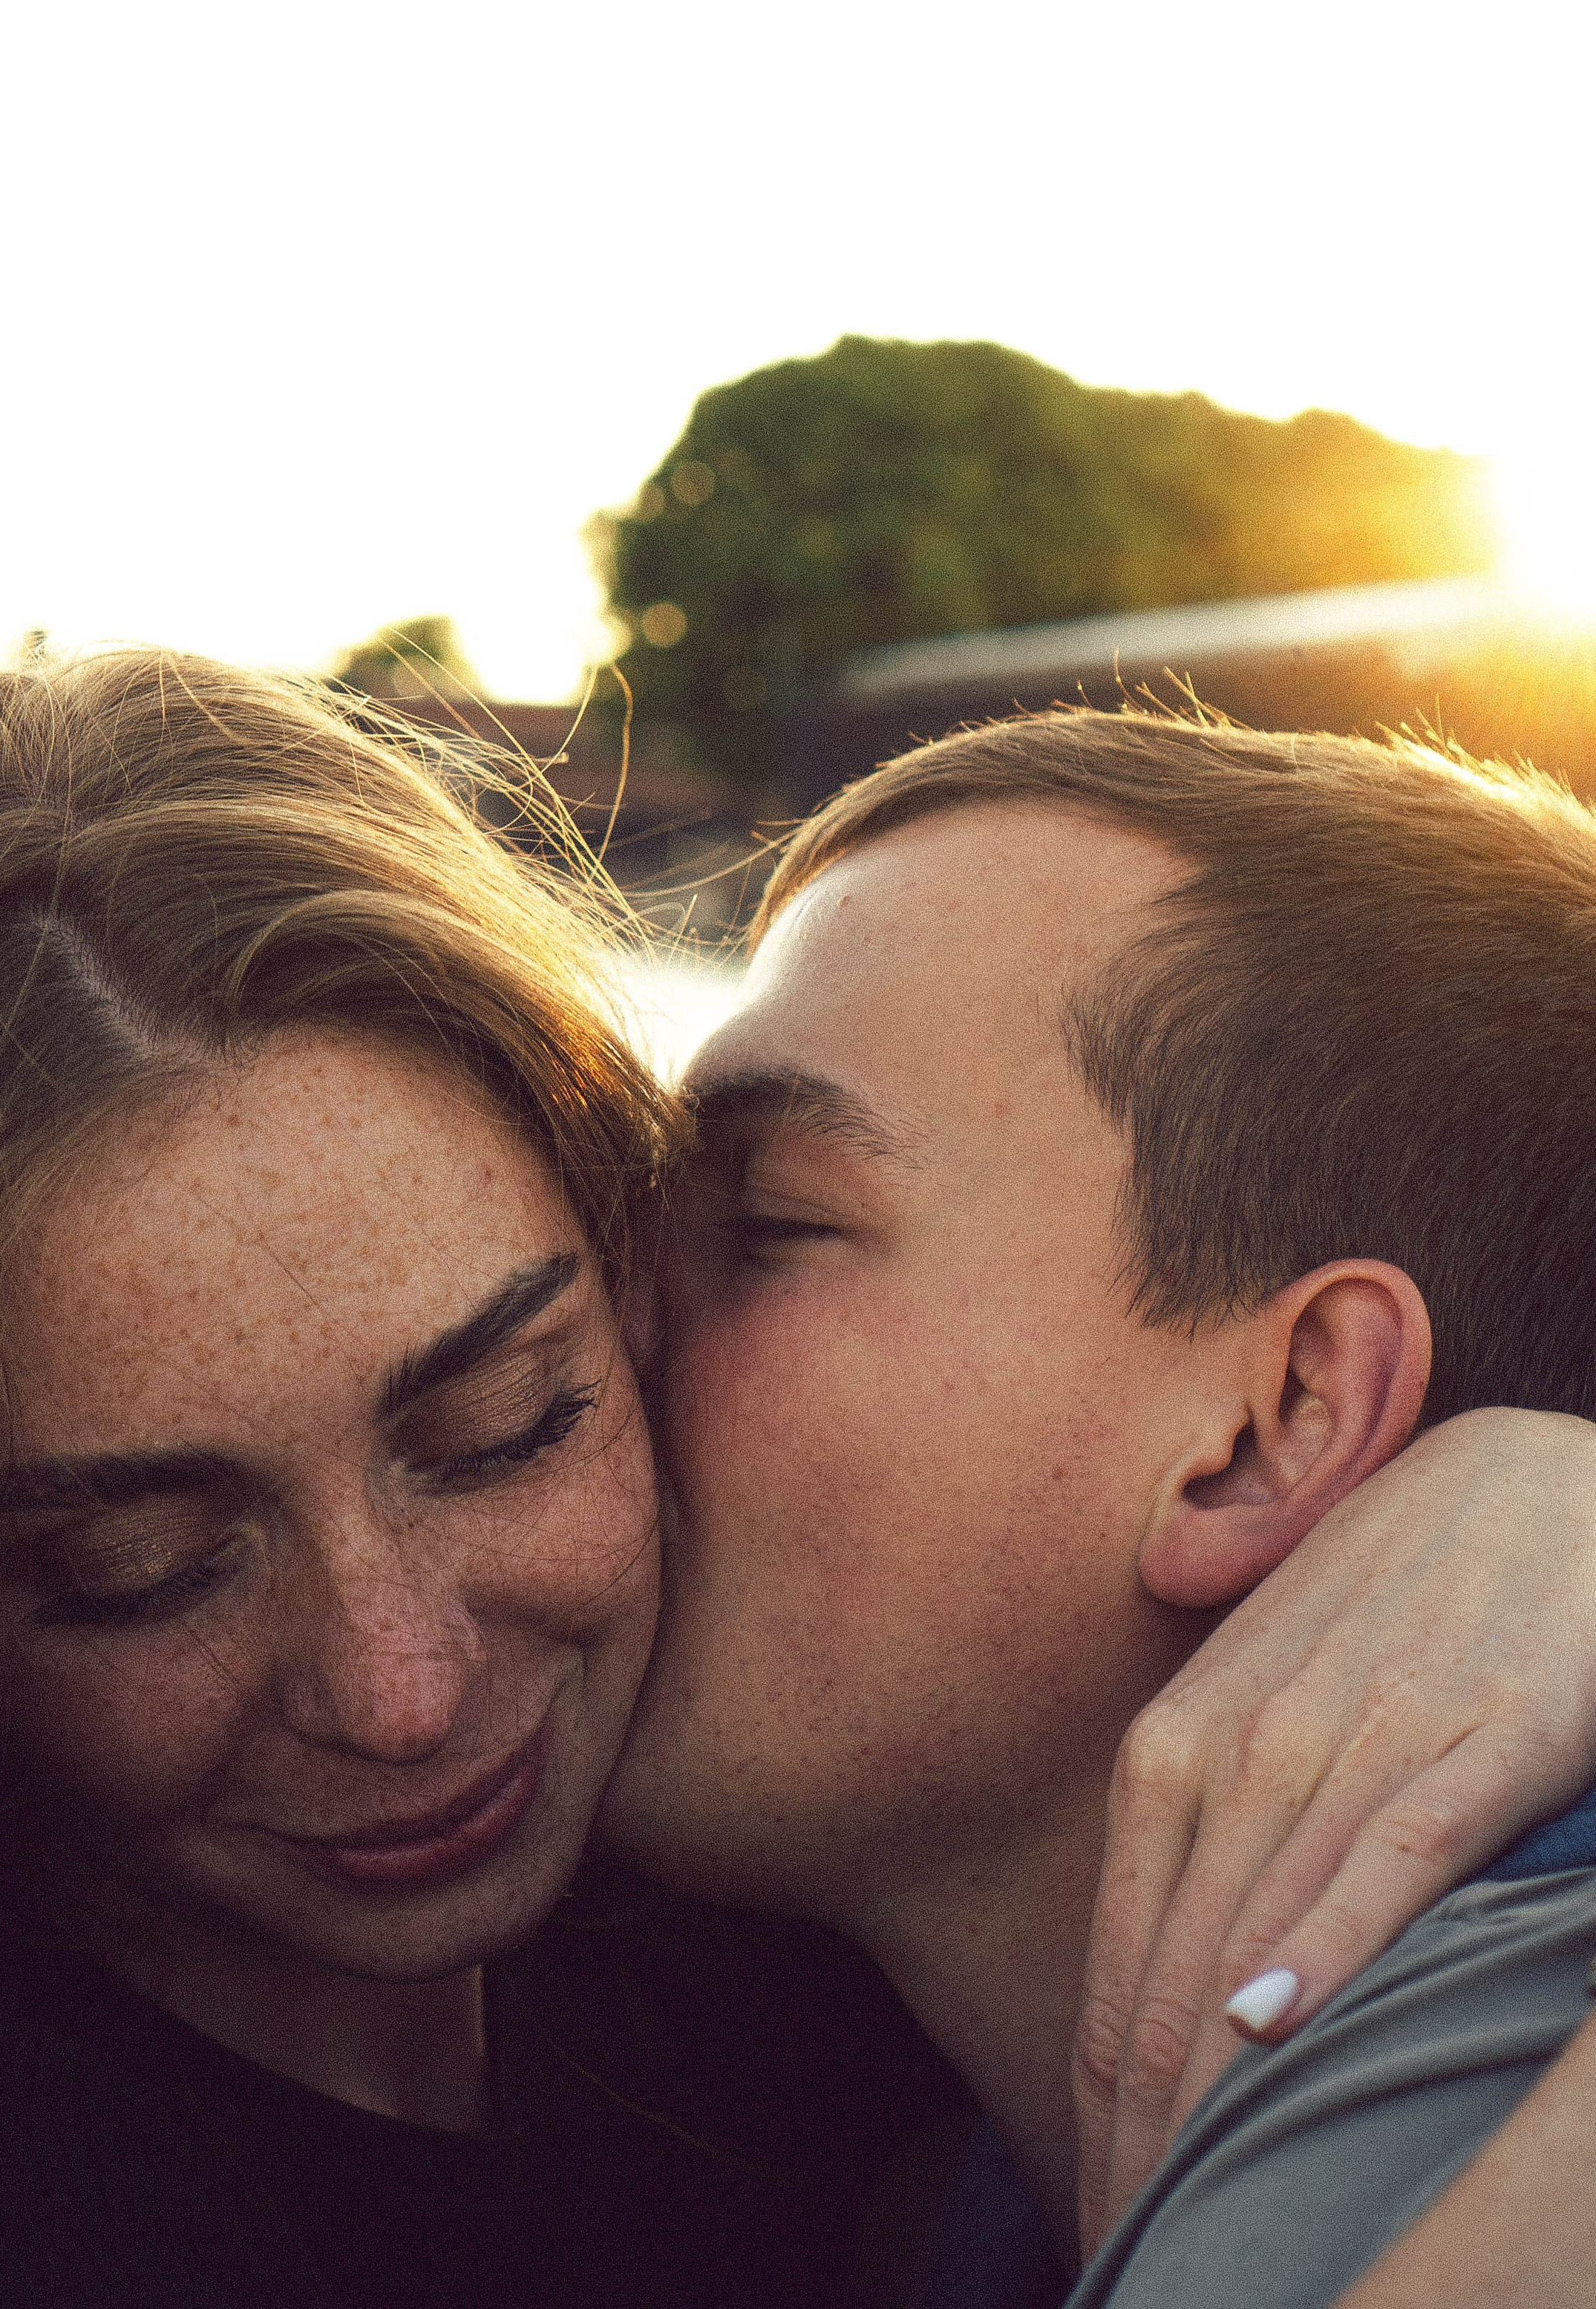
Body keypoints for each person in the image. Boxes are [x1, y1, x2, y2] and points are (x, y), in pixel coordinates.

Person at [0, 653, 1591, 2309]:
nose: (406, 1696)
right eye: (138, 1566)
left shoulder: (820, 1983)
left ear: (1277, 1418)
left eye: (513, 1421)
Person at [601, 706, 1596, 2308]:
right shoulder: (925, 2193)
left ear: (1269, 1428)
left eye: (771, 1220)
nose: (581, 1327)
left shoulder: (1472, 2116)